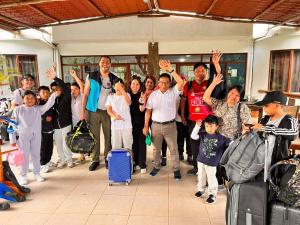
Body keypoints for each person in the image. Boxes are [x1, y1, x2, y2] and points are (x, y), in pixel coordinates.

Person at [181, 51, 222, 175]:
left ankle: (208, 168)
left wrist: (216, 63)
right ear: (194, 73)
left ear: (206, 72)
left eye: (202, 71)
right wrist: (182, 115)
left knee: (208, 144)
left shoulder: (210, 84)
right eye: (197, 71)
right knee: (194, 143)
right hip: (193, 120)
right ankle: (196, 167)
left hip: (208, 121)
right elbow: (183, 101)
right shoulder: (188, 85)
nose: (200, 73)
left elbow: (219, 75)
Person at [143, 60, 184, 180]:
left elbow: (181, 82)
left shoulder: (174, 92)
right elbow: (148, 111)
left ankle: (176, 169)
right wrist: (146, 126)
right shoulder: (153, 95)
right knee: (156, 149)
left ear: (170, 83)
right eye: (161, 82)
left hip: (170, 126)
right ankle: (156, 166)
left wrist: (170, 69)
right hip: (155, 126)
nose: (164, 85)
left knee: (173, 148)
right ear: (158, 83)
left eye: (166, 82)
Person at [11, 89, 58, 185]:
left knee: (36, 155)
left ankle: (37, 173)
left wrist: (53, 95)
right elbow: (12, 124)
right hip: (23, 137)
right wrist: (12, 139)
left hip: (36, 136)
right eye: (27, 98)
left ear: (35, 99)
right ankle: (23, 175)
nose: (29, 100)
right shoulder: (18, 109)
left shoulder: (37, 109)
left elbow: (48, 105)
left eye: (32, 98)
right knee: (24, 156)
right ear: (23, 99)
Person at [81, 56, 119, 171]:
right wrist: (83, 112)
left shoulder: (114, 79)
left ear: (110, 65)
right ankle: (95, 159)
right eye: (103, 62)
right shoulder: (91, 76)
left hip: (108, 111)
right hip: (94, 110)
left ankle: (108, 158)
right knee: (95, 136)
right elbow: (86, 94)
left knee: (108, 135)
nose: (105, 64)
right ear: (99, 63)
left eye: (107, 62)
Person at [253, 91, 298, 170]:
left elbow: (293, 134)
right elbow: (257, 136)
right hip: (260, 162)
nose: (264, 108)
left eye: (266, 105)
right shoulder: (265, 119)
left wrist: (266, 128)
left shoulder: (290, 120)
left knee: (274, 180)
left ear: (276, 105)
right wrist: (251, 130)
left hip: (278, 164)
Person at [191, 115, 231, 203]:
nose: (209, 128)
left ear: (216, 126)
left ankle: (212, 194)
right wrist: (197, 126)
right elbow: (193, 136)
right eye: (207, 126)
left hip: (212, 163)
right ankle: (201, 190)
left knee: (211, 178)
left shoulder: (221, 137)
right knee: (201, 176)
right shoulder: (203, 134)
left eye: (211, 126)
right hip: (201, 160)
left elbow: (231, 144)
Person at [203, 74, 252, 140]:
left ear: (240, 98)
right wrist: (213, 84)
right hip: (217, 140)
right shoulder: (219, 103)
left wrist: (244, 132)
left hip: (232, 142)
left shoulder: (242, 107)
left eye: (237, 95)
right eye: (232, 93)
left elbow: (247, 125)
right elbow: (205, 98)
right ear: (228, 93)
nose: (233, 96)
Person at [47, 65, 74, 169]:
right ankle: (62, 160)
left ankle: (69, 160)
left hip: (65, 123)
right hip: (55, 125)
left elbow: (65, 88)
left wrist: (55, 78)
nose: (56, 90)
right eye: (53, 89)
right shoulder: (51, 99)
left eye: (57, 88)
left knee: (65, 143)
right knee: (58, 144)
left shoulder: (66, 97)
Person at [105, 79, 132, 151]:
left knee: (128, 146)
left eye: (121, 86)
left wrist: (121, 89)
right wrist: (115, 116)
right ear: (113, 87)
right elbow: (109, 110)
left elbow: (129, 103)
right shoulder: (110, 96)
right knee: (116, 146)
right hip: (115, 125)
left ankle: (129, 161)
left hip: (127, 125)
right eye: (117, 86)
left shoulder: (127, 94)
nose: (119, 88)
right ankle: (118, 162)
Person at [129, 76, 147, 173]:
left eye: (137, 84)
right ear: (130, 85)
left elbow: (142, 110)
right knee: (133, 144)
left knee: (141, 143)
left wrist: (143, 101)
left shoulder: (142, 94)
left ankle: (142, 164)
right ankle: (135, 162)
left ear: (140, 86)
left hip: (140, 122)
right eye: (133, 84)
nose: (135, 86)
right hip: (129, 123)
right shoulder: (127, 95)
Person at [38, 86, 55, 173]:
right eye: (43, 92)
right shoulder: (37, 103)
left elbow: (53, 113)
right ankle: (42, 164)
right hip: (41, 131)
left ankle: (47, 161)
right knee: (42, 148)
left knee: (50, 147)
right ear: (39, 94)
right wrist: (45, 117)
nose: (45, 94)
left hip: (50, 129)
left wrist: (50, 116)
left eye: (47, 92)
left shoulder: (51, 102)